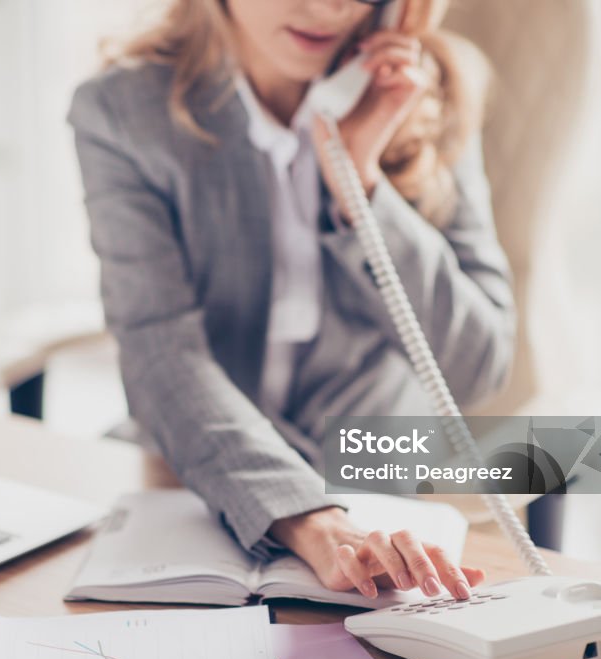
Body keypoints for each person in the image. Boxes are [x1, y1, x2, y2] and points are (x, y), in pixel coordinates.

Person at [67, 0, 516, 601]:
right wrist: (310, 517)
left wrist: (360, 184)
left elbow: (478, 366)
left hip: (372, 472)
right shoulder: (123, 111)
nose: (330, 7)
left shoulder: (427, 92)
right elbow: (159, 352)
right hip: (197, 461)